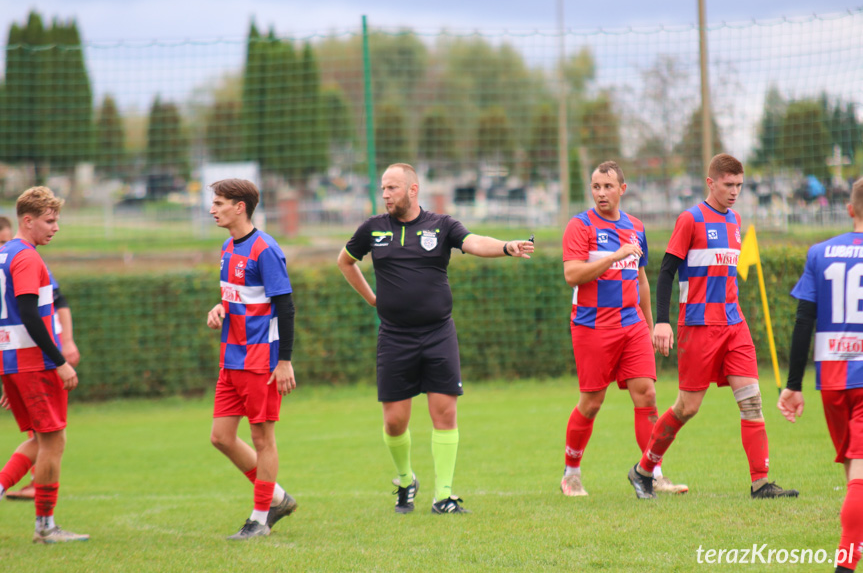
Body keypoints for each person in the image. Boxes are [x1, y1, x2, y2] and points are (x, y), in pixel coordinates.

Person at [337, 163, 534, 514]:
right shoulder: (372, 228)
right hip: (394, 337)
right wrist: (372, 299)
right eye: (383, 188)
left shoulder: (441, 226)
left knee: (444, 413)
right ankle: (405, 479)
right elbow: (345, 262)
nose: (385, 195)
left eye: (392, 188)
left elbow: (474, 242)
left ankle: (443, 495)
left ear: (413, 190)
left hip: (438, 334)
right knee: (394, 421)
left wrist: (506, 247)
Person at [627, 154, 798, 500]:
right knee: (686, 407)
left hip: (734, 324)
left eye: (739, 185)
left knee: (752, 401)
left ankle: (760, 483)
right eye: (728, 184)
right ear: (711, 183)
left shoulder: (734, 220)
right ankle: (644, 470)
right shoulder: (690, 219)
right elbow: (664, 272)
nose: (735, 191)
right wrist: (661, 321)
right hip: (699, 326)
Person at [561, 161, 687, 497]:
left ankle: (652, 473)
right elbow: (573, 275)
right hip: (592, 325)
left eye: (607, 186)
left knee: (646, 394)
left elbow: (641, 280)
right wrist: (614, 256)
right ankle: (571, 473)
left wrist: (651, 326)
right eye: (596, 186)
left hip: (631, 325)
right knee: (592, 402)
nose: (601, 193)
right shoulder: (580, 225)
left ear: (622, 189)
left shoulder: (636, 227)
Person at [777, 177, 863, 573]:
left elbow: (802, 322)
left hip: (832, 381)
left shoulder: (820, 253)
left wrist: (793, 385)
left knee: (854, 472)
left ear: (850, 209)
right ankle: (845, 566)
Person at [205, 178, 298, 540]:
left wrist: (285, 361)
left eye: (219, 202)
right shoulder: (229, 246)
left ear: (239, 206)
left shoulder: (265, 249)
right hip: (231, 358)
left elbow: (285, 307)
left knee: (263, 438)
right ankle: (276, 497)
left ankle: (260, 518)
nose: (212, 209)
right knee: (221, 437)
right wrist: (220, 308)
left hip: (261, 361)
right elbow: (242, 297)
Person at [0, 187, 89, 543]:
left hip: (15, 362)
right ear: (27, 220)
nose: (55, 228)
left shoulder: (4, 253)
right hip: (34, 363)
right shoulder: (26, 257)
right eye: (49, 221)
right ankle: (46, 527)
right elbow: (28, 314)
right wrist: (58, 362)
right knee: (53, 441)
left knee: (42, 438)